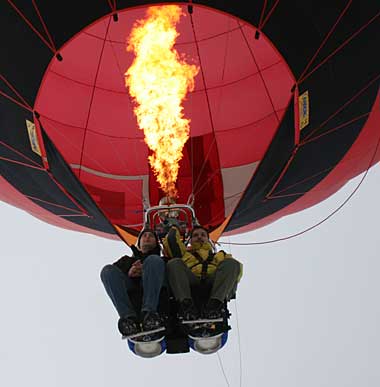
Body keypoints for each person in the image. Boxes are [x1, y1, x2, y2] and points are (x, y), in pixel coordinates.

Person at [164, 225, 243, 321]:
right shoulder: (184, 254)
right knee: (174, 263)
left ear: (208, 239)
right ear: (190, 240)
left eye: (203, 235)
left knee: (232, 263)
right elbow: (171, 241)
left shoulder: (221, 255)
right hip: (191, 279)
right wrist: (175, 227)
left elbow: (235, 270)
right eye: (195, 235)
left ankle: (215, 305)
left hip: (213, 281)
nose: (199, 237)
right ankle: (186, 305)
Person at [100, 229, 166, 337]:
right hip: (132, 291)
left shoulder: (161, 260)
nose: (147, 237)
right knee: (107, 270)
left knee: (154, 261)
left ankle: (149, 314)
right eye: (144, 236)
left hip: (156, 293)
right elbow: (113, 279)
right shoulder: (125, 261)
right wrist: (129, 273)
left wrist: (146, 271)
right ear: (139, 243)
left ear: (156, 243)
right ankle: (128, 318)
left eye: (151, 236)